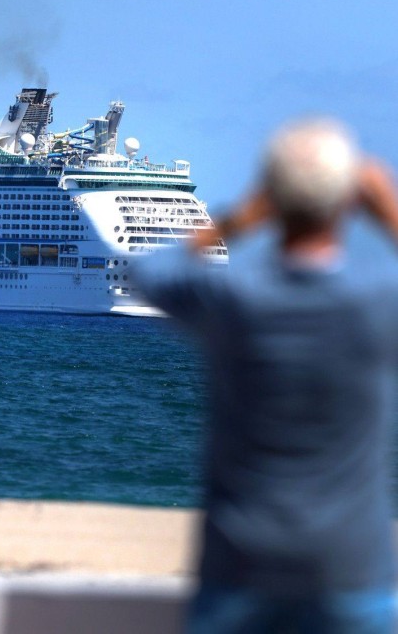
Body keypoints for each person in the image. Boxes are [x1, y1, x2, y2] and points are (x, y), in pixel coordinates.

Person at [134, 118, 398, 633]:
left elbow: (149, 271)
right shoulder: (378, 302)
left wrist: (238, 217)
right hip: (350, 567)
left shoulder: (235, 299)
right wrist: (386, 205)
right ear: (349, 203)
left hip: (240, 565)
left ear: (272, 199)